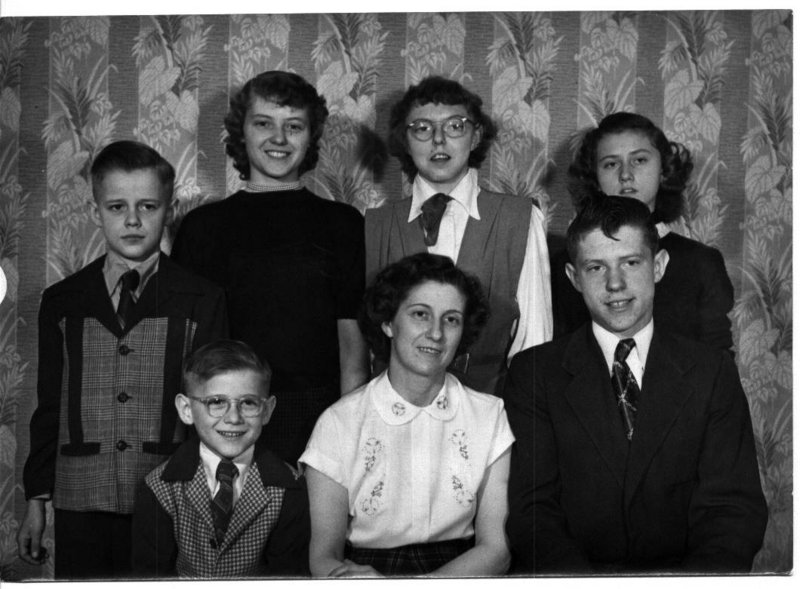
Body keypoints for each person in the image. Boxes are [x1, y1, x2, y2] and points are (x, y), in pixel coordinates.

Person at [504, 195, 767, 574]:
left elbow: (733, 512)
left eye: (630, 262)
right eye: (596, 267)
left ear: (658, 266)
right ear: (573, 278)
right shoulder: (535, 374)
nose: (615, 283)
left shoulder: (711, 372)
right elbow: (533, 514)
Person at [18, 140, 228, 579]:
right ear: (97, 210)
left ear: (167, 210)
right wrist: (36, 499)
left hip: (170, 491)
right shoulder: (62, 300)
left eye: (148, 206)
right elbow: (50, 404)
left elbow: (212, 408)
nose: (132, 220)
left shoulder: (201, 298)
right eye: (116, 207)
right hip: (80, 497)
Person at [171, 70, 368, 465]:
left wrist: (350, 432)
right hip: (226, 416)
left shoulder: (342, 223)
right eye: (264, 123)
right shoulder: (202, 227)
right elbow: (184, 347)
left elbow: (352, 348)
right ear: (241, 131)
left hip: (318, 415)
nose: (279, 139)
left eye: (293, 126)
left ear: (310, 137)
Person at [301, 253, 513, 577]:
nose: (436, 334)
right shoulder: (338, 423)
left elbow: (496, 551)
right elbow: (323, 557)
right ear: (388, 322)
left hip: (463, 574)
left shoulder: (489, 416)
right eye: (420, 314)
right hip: (367, 575)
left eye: (451, 319)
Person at [365, 76, 552, 395]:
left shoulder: (519, 219)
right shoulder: (375, 224)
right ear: (405, 140)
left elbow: (534, 340)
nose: (438, 140)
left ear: (476, 135)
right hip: (395, 406)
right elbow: (370, 340)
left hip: (489, 405)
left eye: (455, 126)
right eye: (422, 128)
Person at [551, 111, 734, 352]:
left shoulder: (701, 263)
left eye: (639, 160)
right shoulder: (567, 265)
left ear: (664, 169)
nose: (625, 175)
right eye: (611, 164)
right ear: (595, 178)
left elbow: (718, 363)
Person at [131, 340, 310, 578]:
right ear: (186, 409)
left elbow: (288, 576)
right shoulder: (159, 487)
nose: (233, 417)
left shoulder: (289, 486)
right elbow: (149, 577)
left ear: (267, 410)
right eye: (216, 402)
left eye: (248, 403)